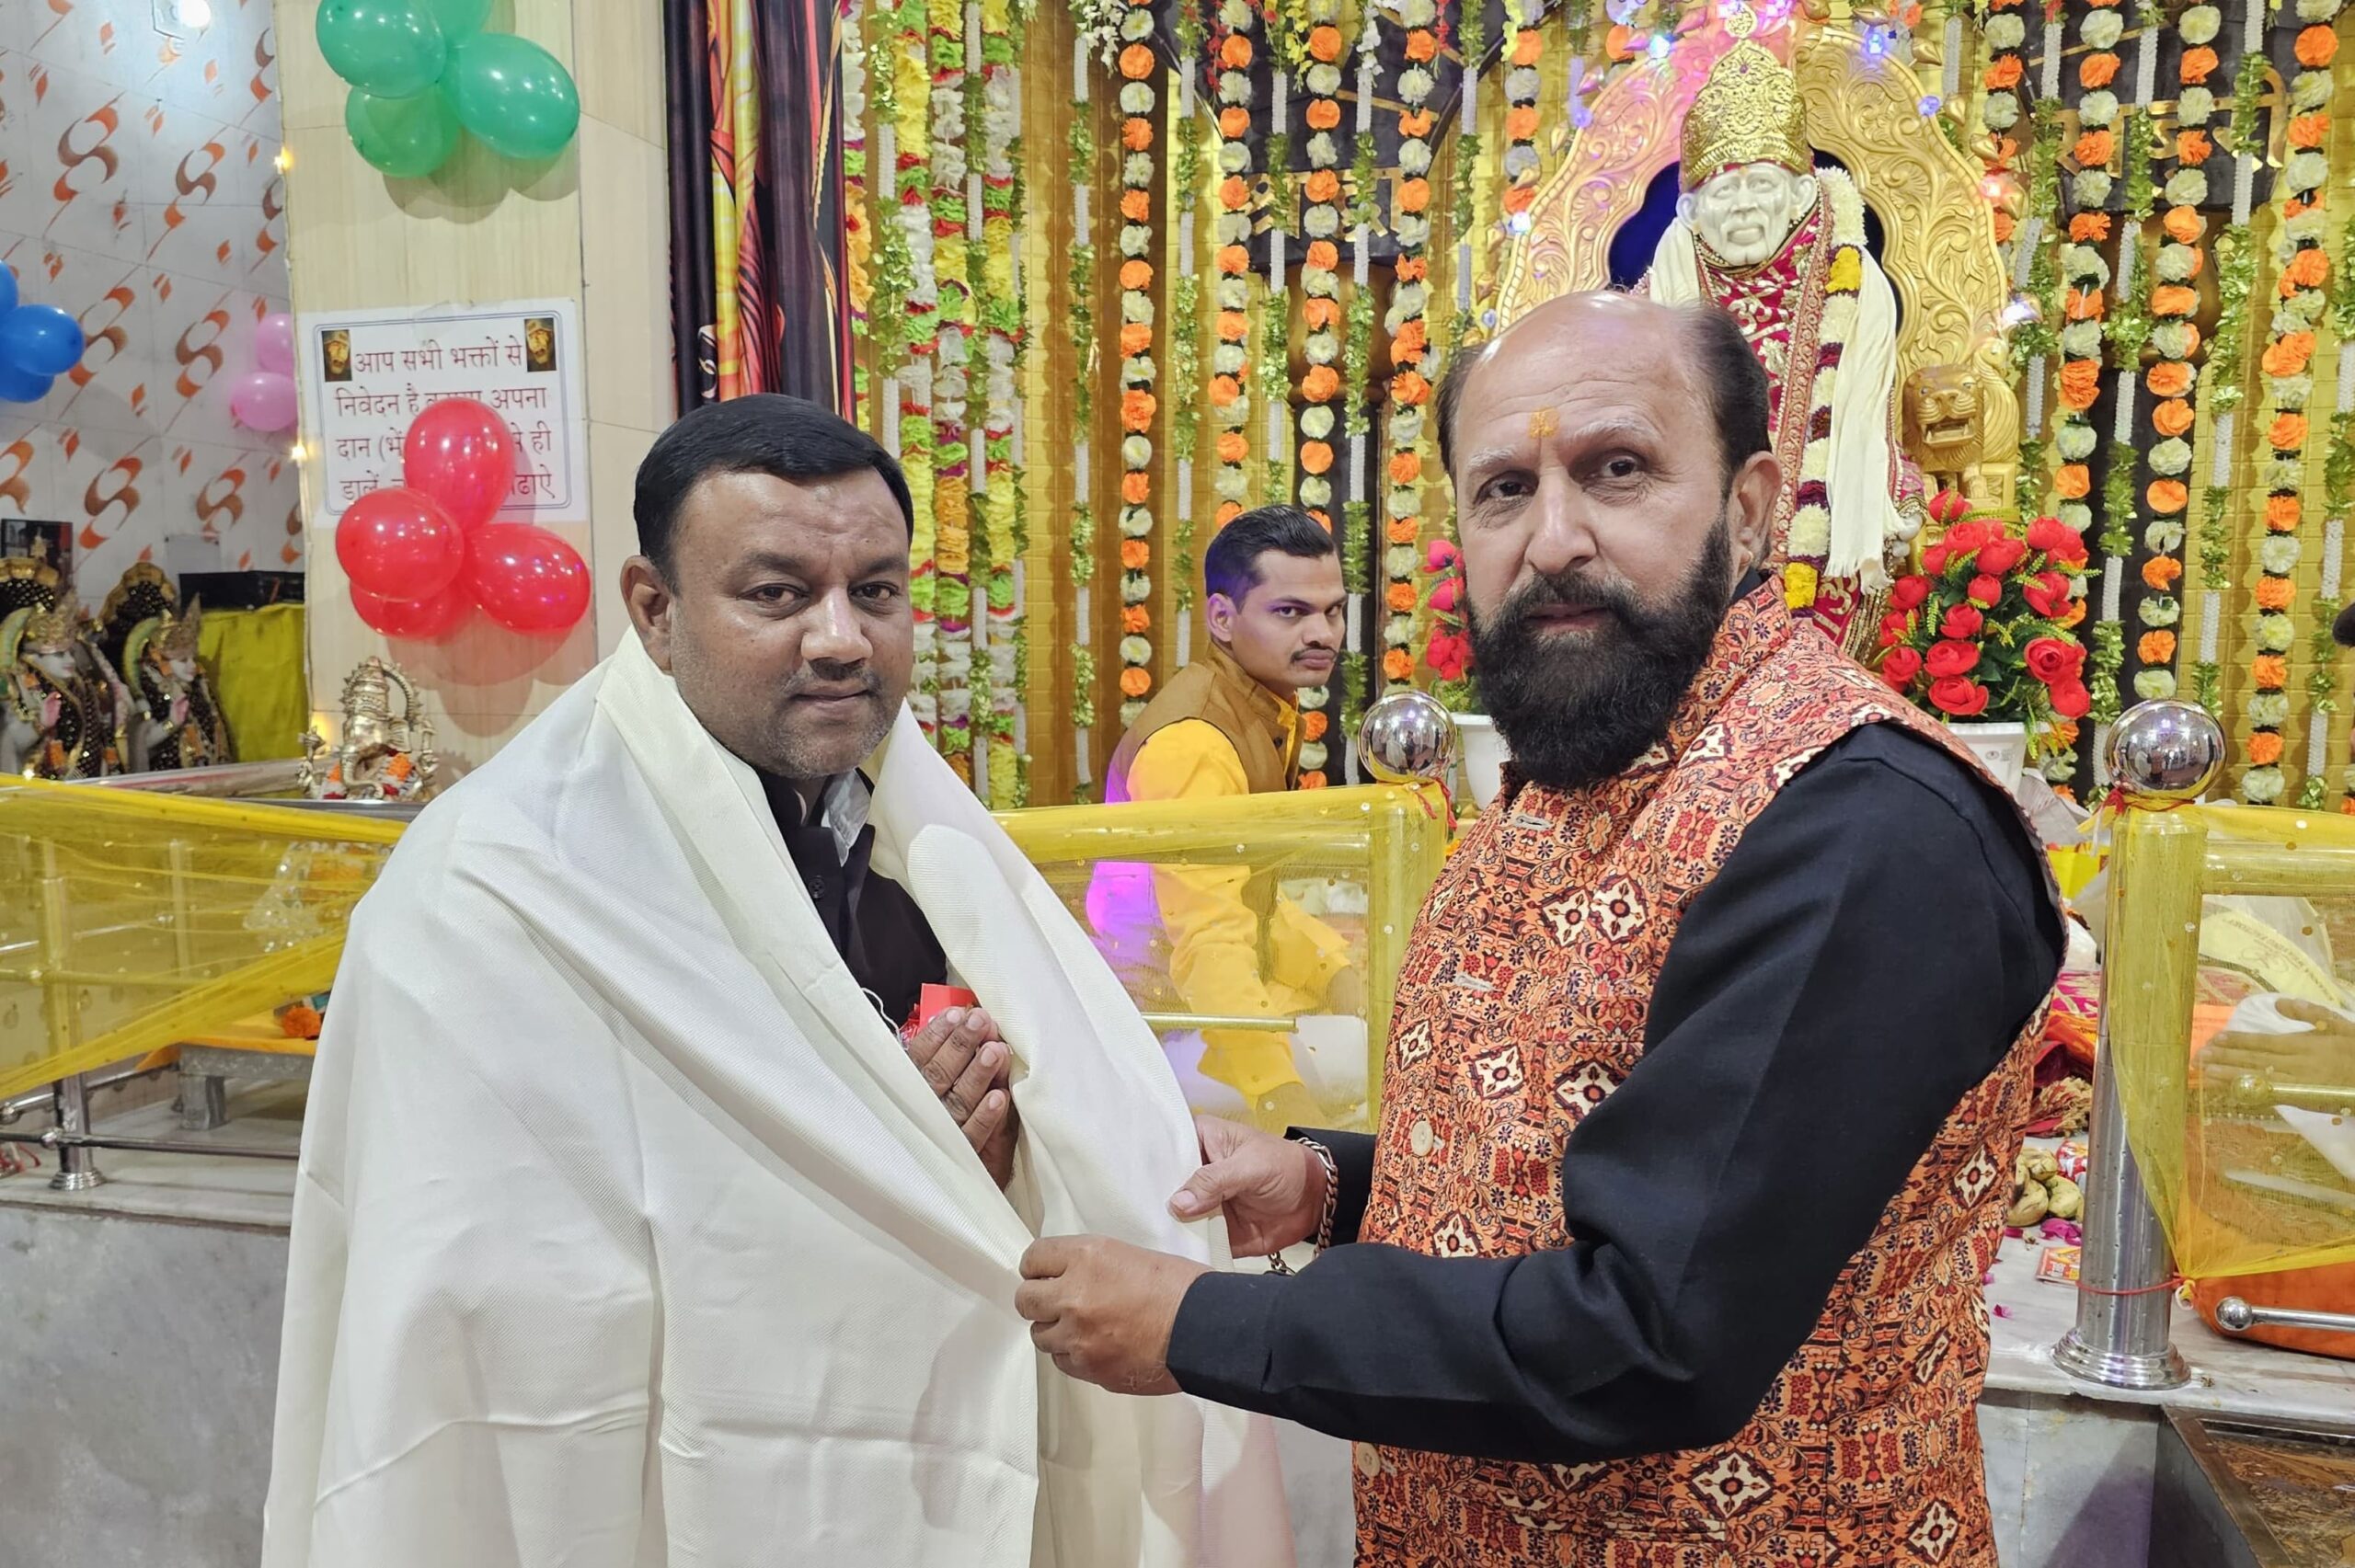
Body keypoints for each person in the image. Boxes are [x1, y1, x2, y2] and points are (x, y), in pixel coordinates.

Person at [1017, 292, 2063, 1566]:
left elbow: (1653, 1329)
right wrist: (1331, 1185)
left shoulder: (1859, 826)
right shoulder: (1578, 771)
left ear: (1749, 508)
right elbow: (1585, 1150)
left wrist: (1200, 1326)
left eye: (1617, 470)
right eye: (1504, 490)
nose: (1553, 540)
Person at [263, 395, 1290, 1568]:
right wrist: (883, 1142)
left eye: (877, 591)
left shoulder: (923, 839)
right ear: (654, 610)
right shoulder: (491, 888)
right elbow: (504, 1304)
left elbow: (1019, 1137)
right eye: (777, 593)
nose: (841, 637)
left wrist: (1003, 1147)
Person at [1642, 4, 1921, 654]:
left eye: (1761, 186)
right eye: (1724, 192)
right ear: (1692, 210)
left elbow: (1869, 420)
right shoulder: (1670, 282)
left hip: (1828, 551)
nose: (1742, 206)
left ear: (1799, 195)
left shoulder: (1849, 274)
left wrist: (1888, 492)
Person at [1090, 505, 1359, 1132]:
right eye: (1290, 612)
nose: (1323, 633)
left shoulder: (1260, 706)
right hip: (1162, 1032)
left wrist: (1336, 971)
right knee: (1383, 1060)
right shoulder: (1194, 742)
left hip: (1208, 1008)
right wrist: (1281, 1100)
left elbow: (1252, 897)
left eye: (1333, 611)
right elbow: (1208, 939)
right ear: (1222, 617)